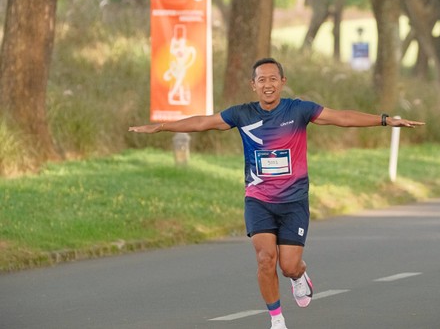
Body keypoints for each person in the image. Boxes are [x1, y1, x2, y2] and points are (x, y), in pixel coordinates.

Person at [129, 57, 424, 329]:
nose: (267, 84)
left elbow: (341, 117)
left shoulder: (299, 110)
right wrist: (162, 127)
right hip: (258, 200)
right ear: (253, 85)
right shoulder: (242, 114)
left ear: (283, 82)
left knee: (288, 266)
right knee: (265, 258)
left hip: (294, 201)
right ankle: (277, 320)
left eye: (273, 79)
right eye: (262, 80)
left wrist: (385, 120)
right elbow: (203, 122)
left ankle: (299, 275)